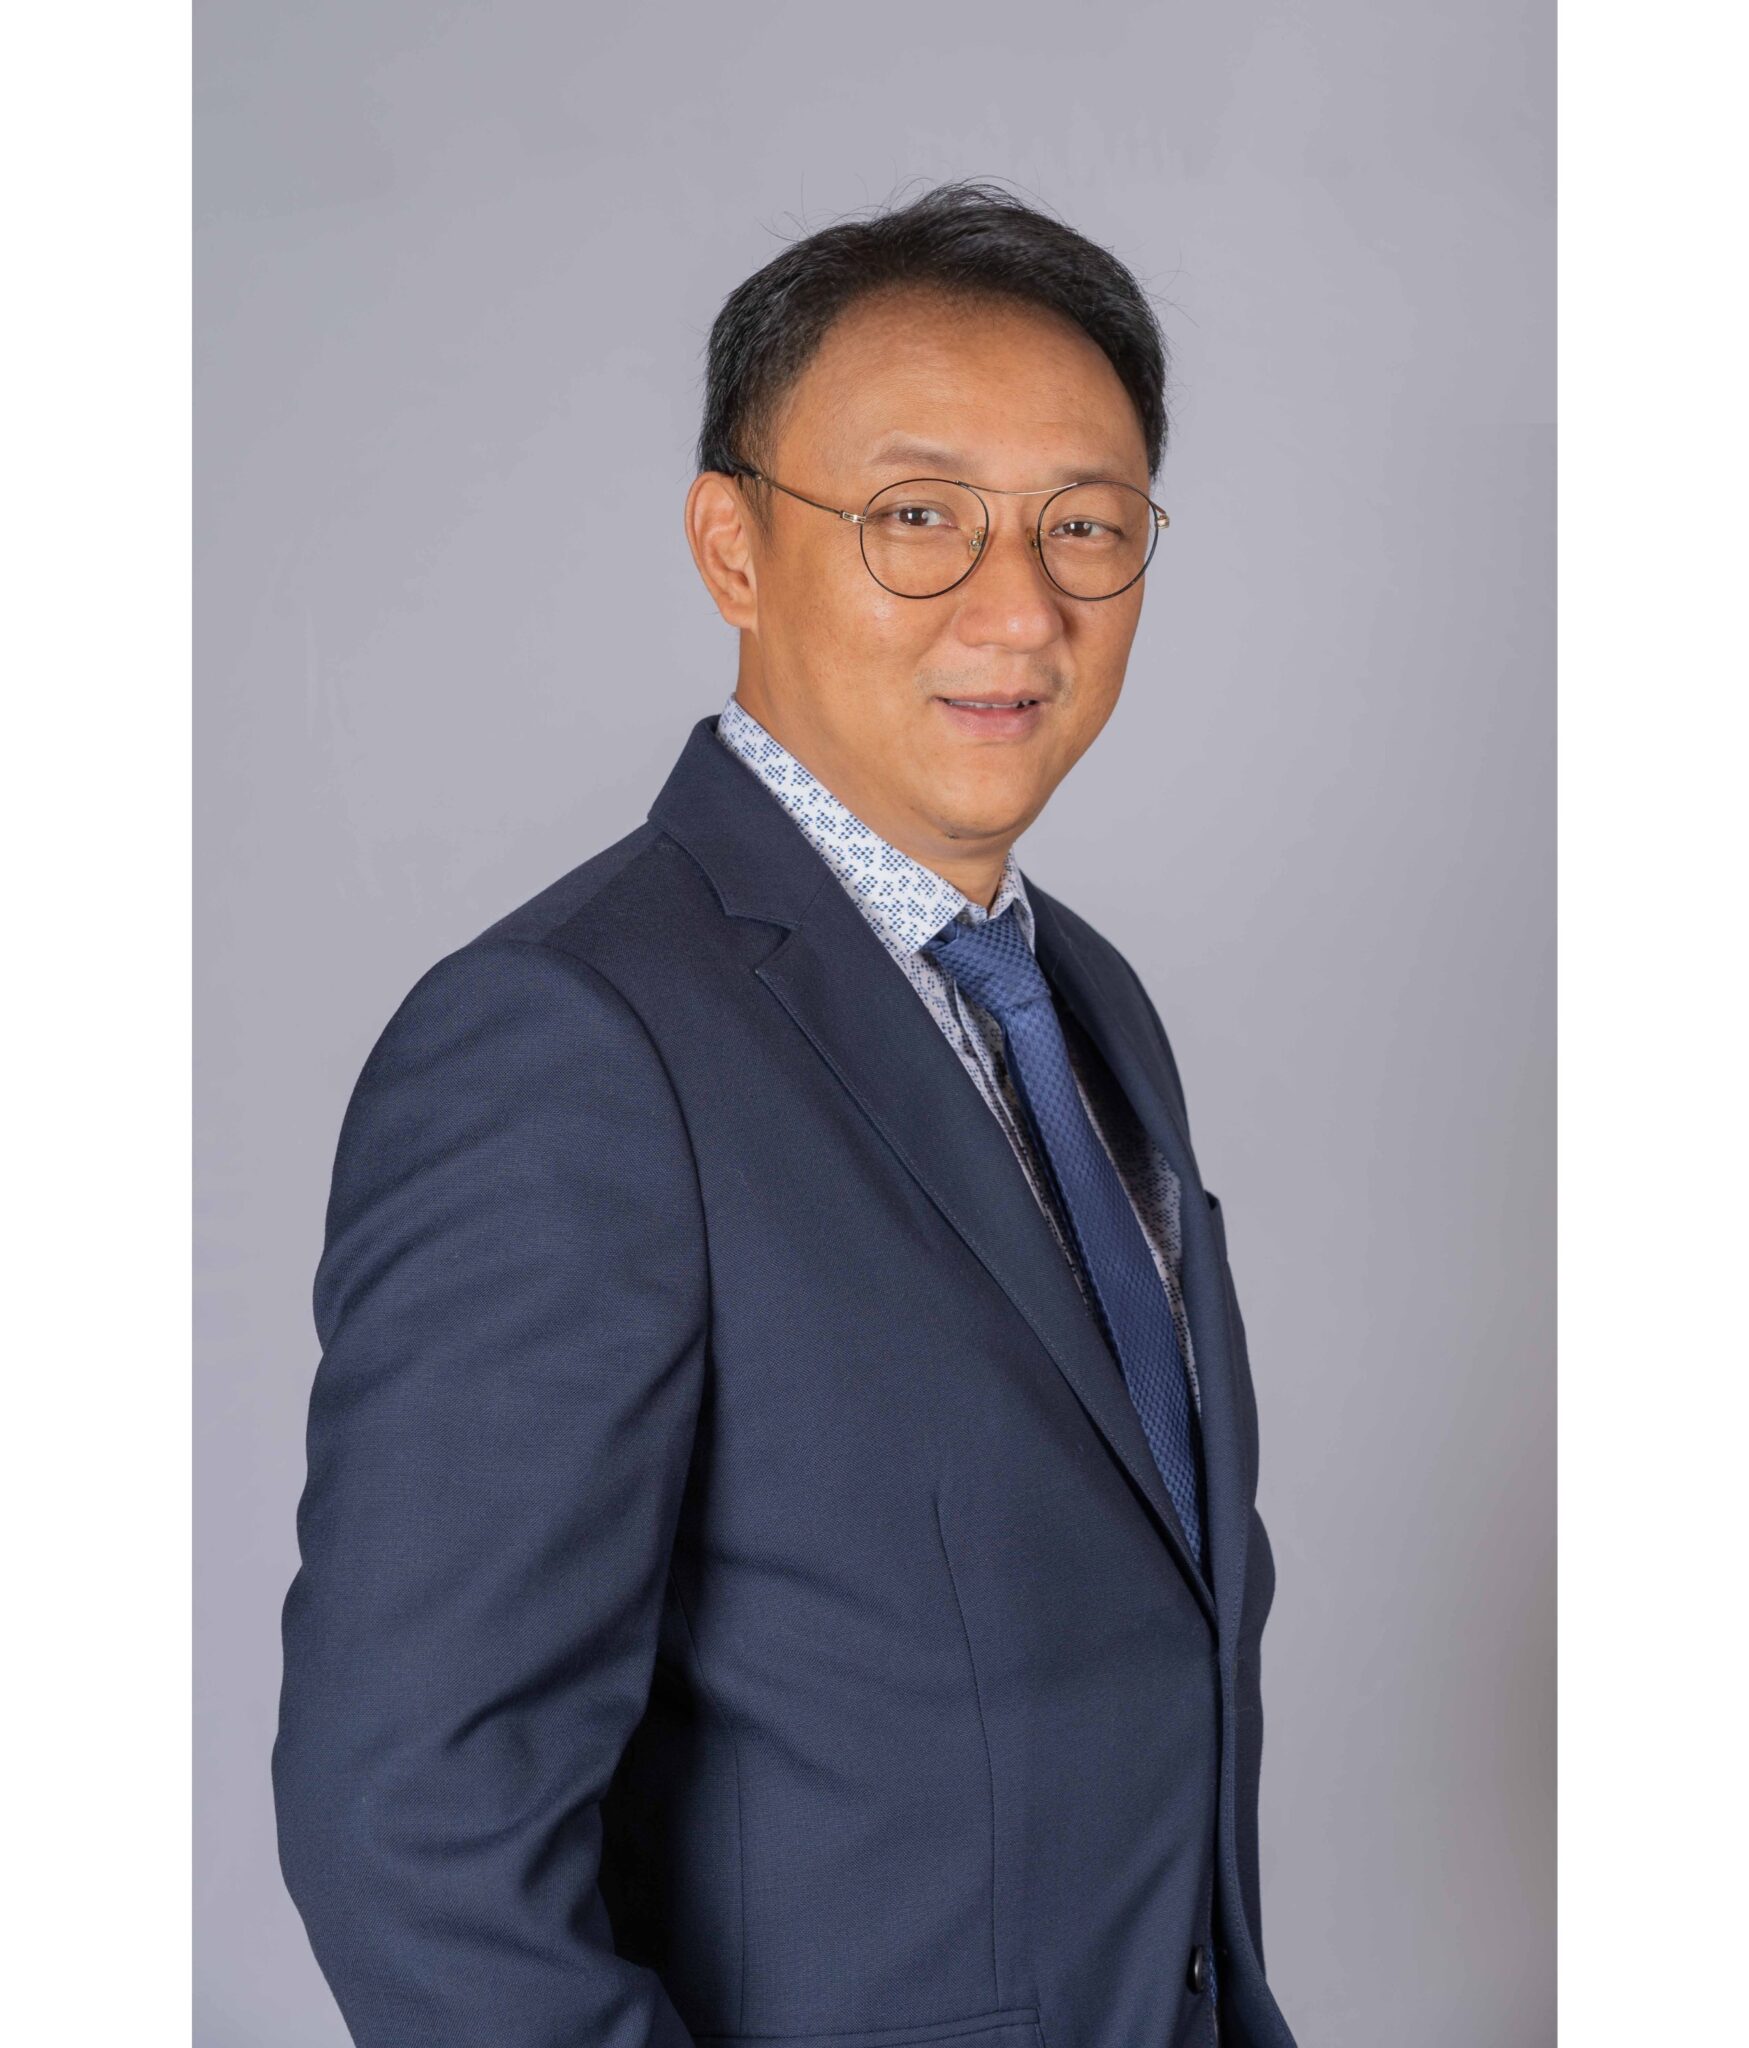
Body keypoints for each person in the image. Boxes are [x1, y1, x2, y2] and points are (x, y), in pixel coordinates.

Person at [273, 179, 1300, 2048]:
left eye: (1083, 526)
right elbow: (411, 1827)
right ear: (731, 547)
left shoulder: (1081, 999)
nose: (1020, 607)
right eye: (918, 517)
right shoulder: (569, 1043)